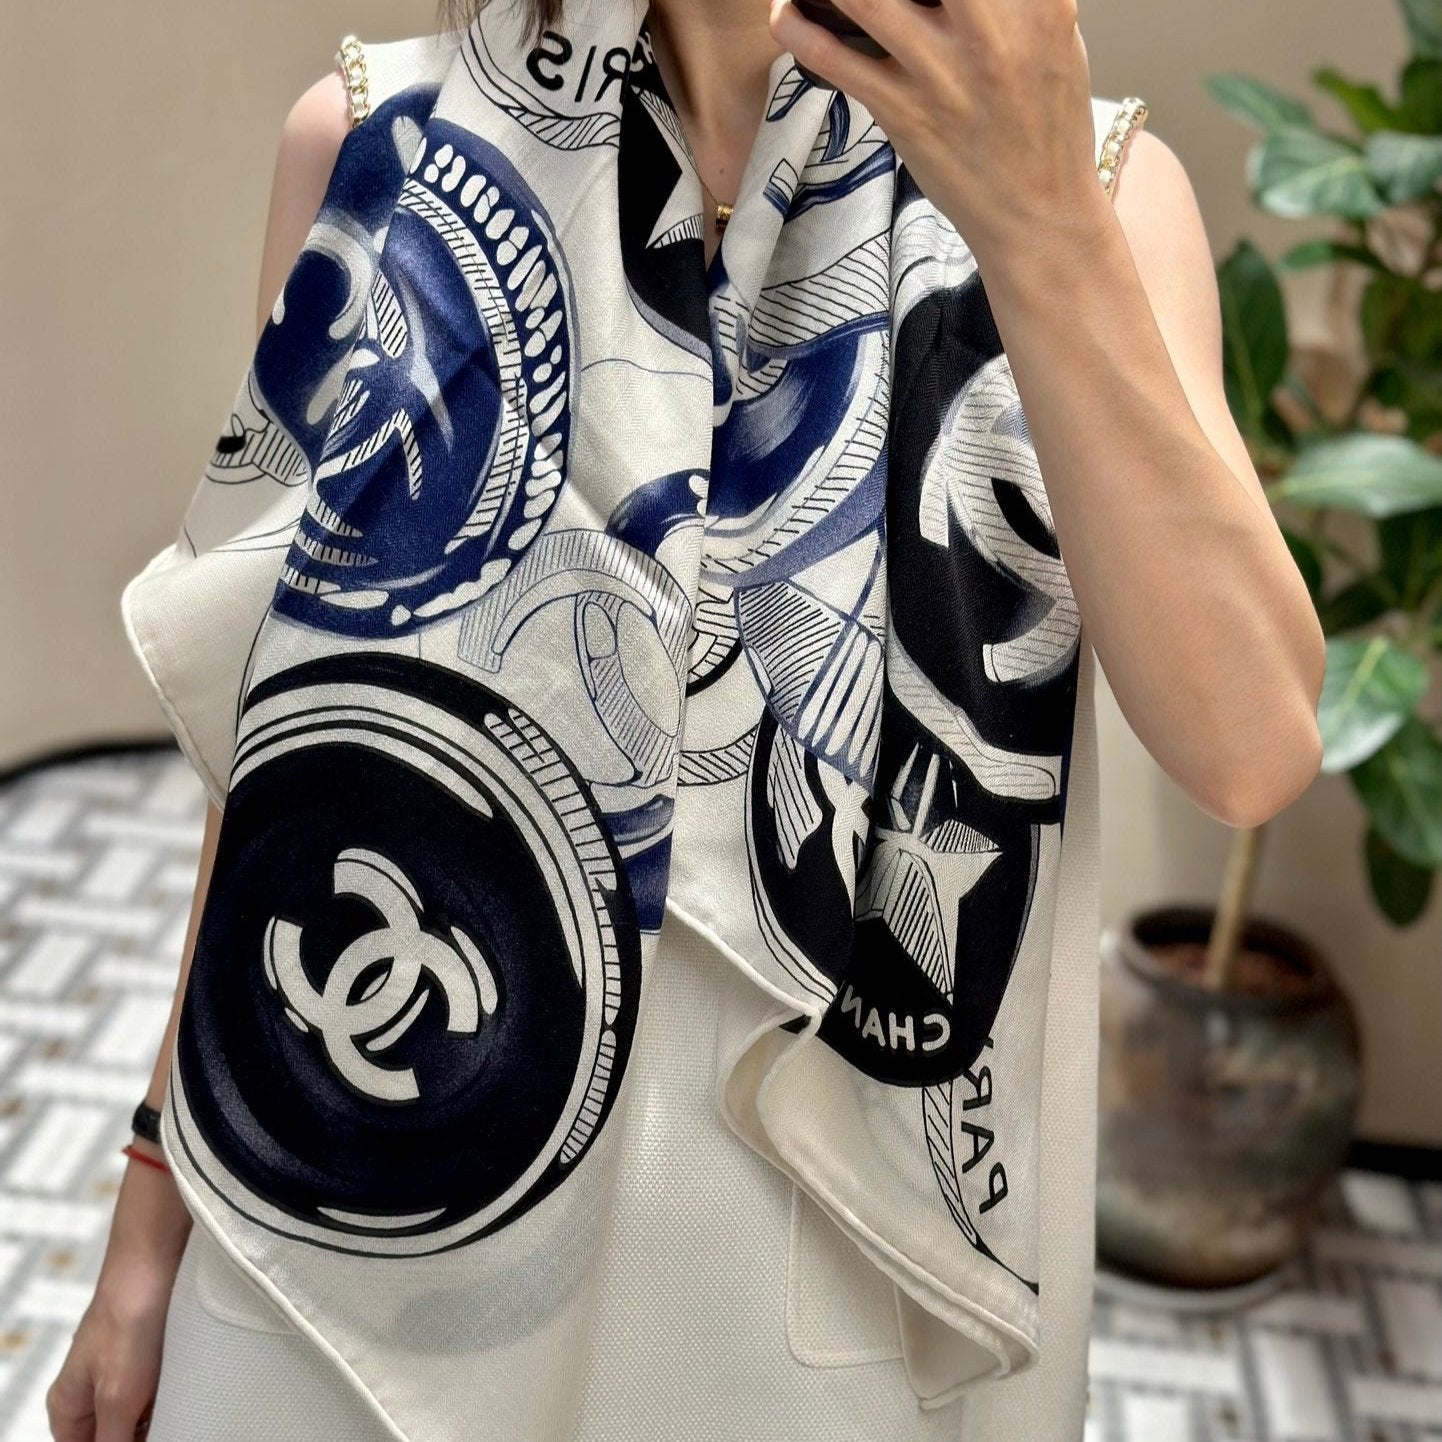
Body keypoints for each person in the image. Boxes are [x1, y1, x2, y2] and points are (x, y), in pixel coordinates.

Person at [47, 0, 1326, 1437]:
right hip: (347, 1218)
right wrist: (148, 1210)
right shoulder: (378, 147)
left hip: (793, 1276)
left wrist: (1039, 228)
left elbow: (1250, 745)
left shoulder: (1087, 192)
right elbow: (284, 750)